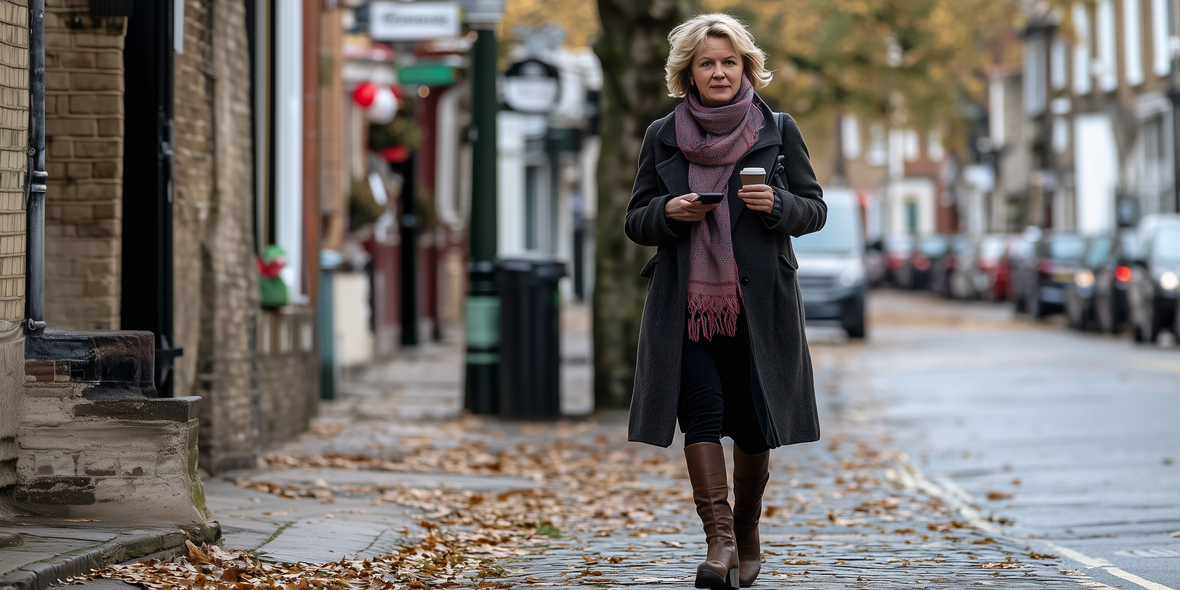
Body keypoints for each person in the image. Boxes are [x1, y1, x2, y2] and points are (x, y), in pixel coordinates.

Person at [624, 13, 826, 589]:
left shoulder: (778, 129)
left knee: (755, 426)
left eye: (728, 61)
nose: (718, 71)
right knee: (703, 415)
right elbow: (635, 220)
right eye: (707, 62)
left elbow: (815, 209)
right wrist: (667, 213)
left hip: (759, 307)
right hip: (685, 305)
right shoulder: (662, 134)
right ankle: (718, 544)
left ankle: (746, 529)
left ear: (746, 67)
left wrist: (778, 205)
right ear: (688, 70)